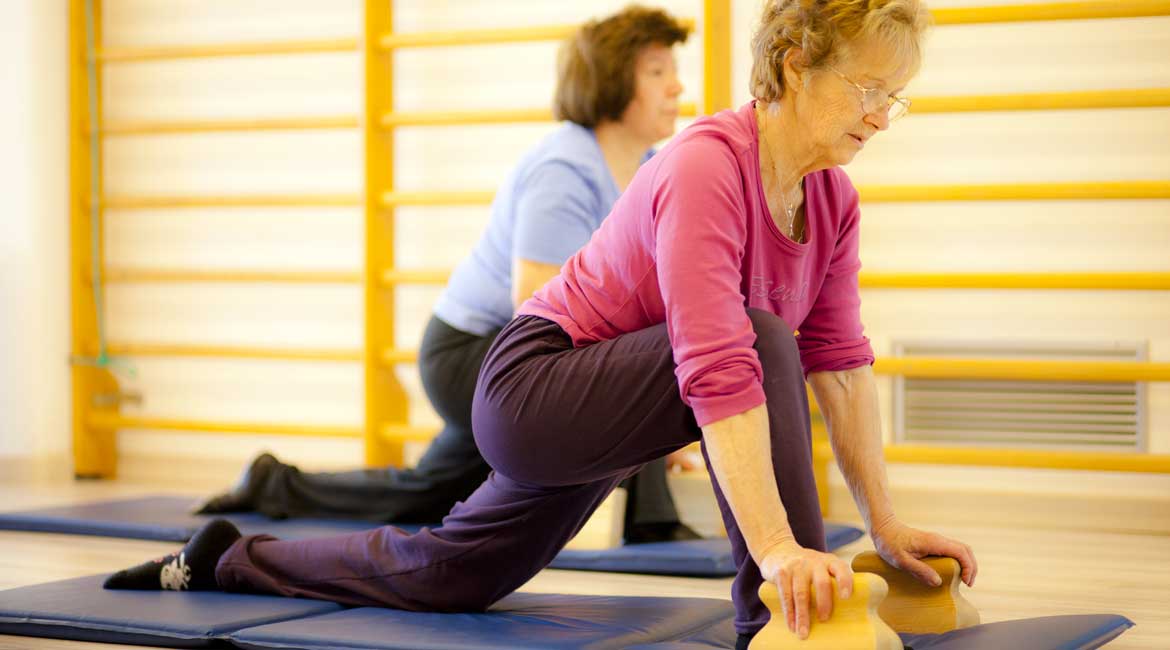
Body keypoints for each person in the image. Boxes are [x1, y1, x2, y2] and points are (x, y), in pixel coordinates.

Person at [106, 1, 979, 648]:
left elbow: (841, 364)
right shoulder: (708, 166)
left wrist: (887, 523)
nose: (879, 114)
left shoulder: (832, 199)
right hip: (536, 382)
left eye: (895, 98)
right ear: (792, 64)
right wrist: (785, 554)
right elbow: (721, 361)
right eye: (868, 87)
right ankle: (778, 619)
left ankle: (225, 557)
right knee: (759, 337)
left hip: (613, 396)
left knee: (456, 573)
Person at [194, 5, 700, 544]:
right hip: (470, 351)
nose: (676, 86)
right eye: (656, 71)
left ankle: (273, 484)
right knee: (624, 372)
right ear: (612, 79)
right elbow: (539, 309)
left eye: (671, 69)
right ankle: (653, 519)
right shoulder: (564, 172)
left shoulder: (647, 167)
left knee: (431, 494)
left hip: (506, 348)